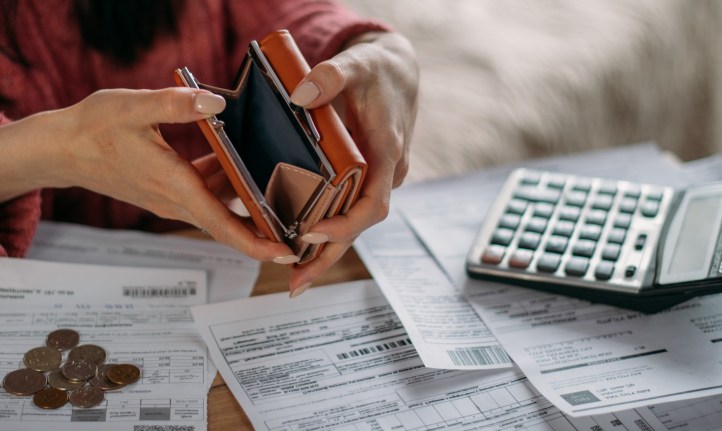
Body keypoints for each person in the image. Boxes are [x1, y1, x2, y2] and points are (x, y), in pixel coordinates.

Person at [0, 0, 418, 297]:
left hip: (223, 266)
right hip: (43, 291)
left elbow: (288, 17)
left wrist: (382, 50)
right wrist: (58, 150)